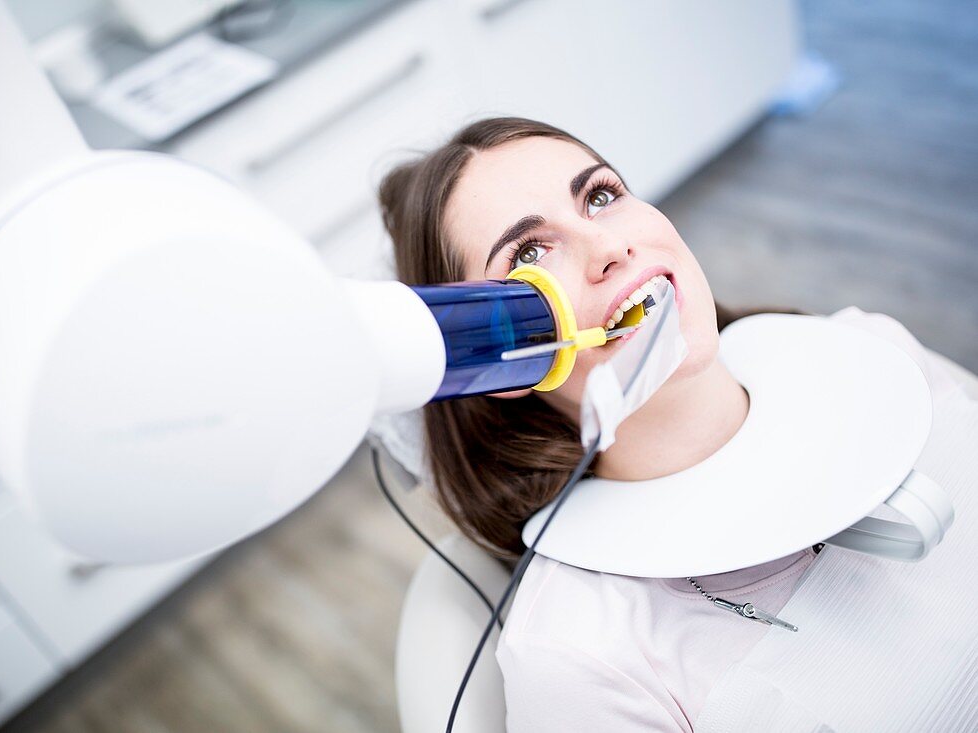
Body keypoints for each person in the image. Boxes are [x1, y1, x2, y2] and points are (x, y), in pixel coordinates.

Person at [376, 117, 974, 730]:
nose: (610, 248)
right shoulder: (582, 657)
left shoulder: (875, 352)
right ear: (497, 357)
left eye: (600, 197)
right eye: (529, 253)